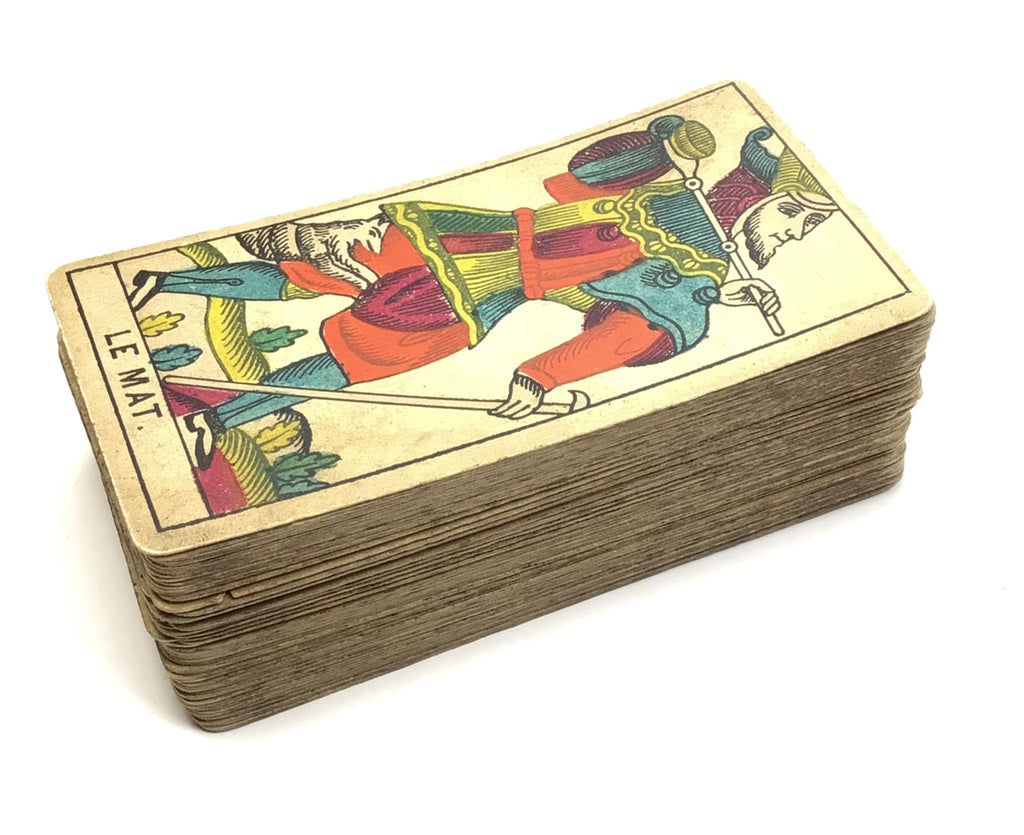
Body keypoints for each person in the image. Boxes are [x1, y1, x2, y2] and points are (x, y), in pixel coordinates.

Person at [130, 123, 838, 468]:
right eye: (794, 215)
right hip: (472, 282)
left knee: (318, 284)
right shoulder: (686, 246)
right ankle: (204, 396)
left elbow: (616, 312)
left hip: (459, 240)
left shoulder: (694, 263)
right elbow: (627, 316)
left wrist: (546, 371)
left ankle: (168, 299)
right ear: (755, 200)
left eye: (806, 225)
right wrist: (540, 376)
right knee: (345, 343)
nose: (794, 233)